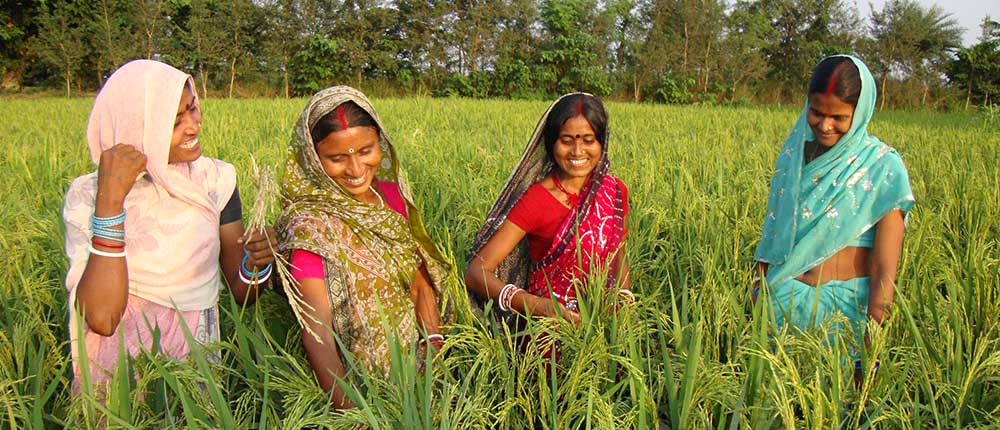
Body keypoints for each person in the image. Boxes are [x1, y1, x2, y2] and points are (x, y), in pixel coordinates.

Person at [63, 60, 276, 393]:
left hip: (195, 361)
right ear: (136, 127)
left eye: (192, 109)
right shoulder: (90, 194)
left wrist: (258, 262)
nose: (193, 126)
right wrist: (110, 202)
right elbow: (102, 319)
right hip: (115, 370)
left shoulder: (216, 181)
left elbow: (241, 290)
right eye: (175, 121)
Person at [276, 86, 450, 408]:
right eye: (337, 158)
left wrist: (436, 357)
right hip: (357, 385)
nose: (356, 170)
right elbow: (318, 333)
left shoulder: (392, 197)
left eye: (366, 151)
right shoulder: (310, 224)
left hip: (421, 371)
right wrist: (352, 412)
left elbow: (419, 286)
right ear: (313, 158)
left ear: (380, 142)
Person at [752, 55, 915, 377]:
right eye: (816, 112)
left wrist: (874, 336)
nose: (825, 125)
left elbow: (884, 267)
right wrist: (757, 288)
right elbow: (774, 228)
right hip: (783, 299)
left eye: (839, 117)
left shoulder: (883, 167)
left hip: (846, 312)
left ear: (861, 112)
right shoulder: (794, 156)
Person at [465, 93, 632, 336]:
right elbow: (476, 272)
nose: (577, 151)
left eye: (588, 140)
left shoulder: (615, 192)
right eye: (567, 140)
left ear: (602, 143)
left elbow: (618, 256)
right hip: (549, 334)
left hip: (604, 328)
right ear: (551, 143)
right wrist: (535, 305)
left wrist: (625, 305)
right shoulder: (537, 199)